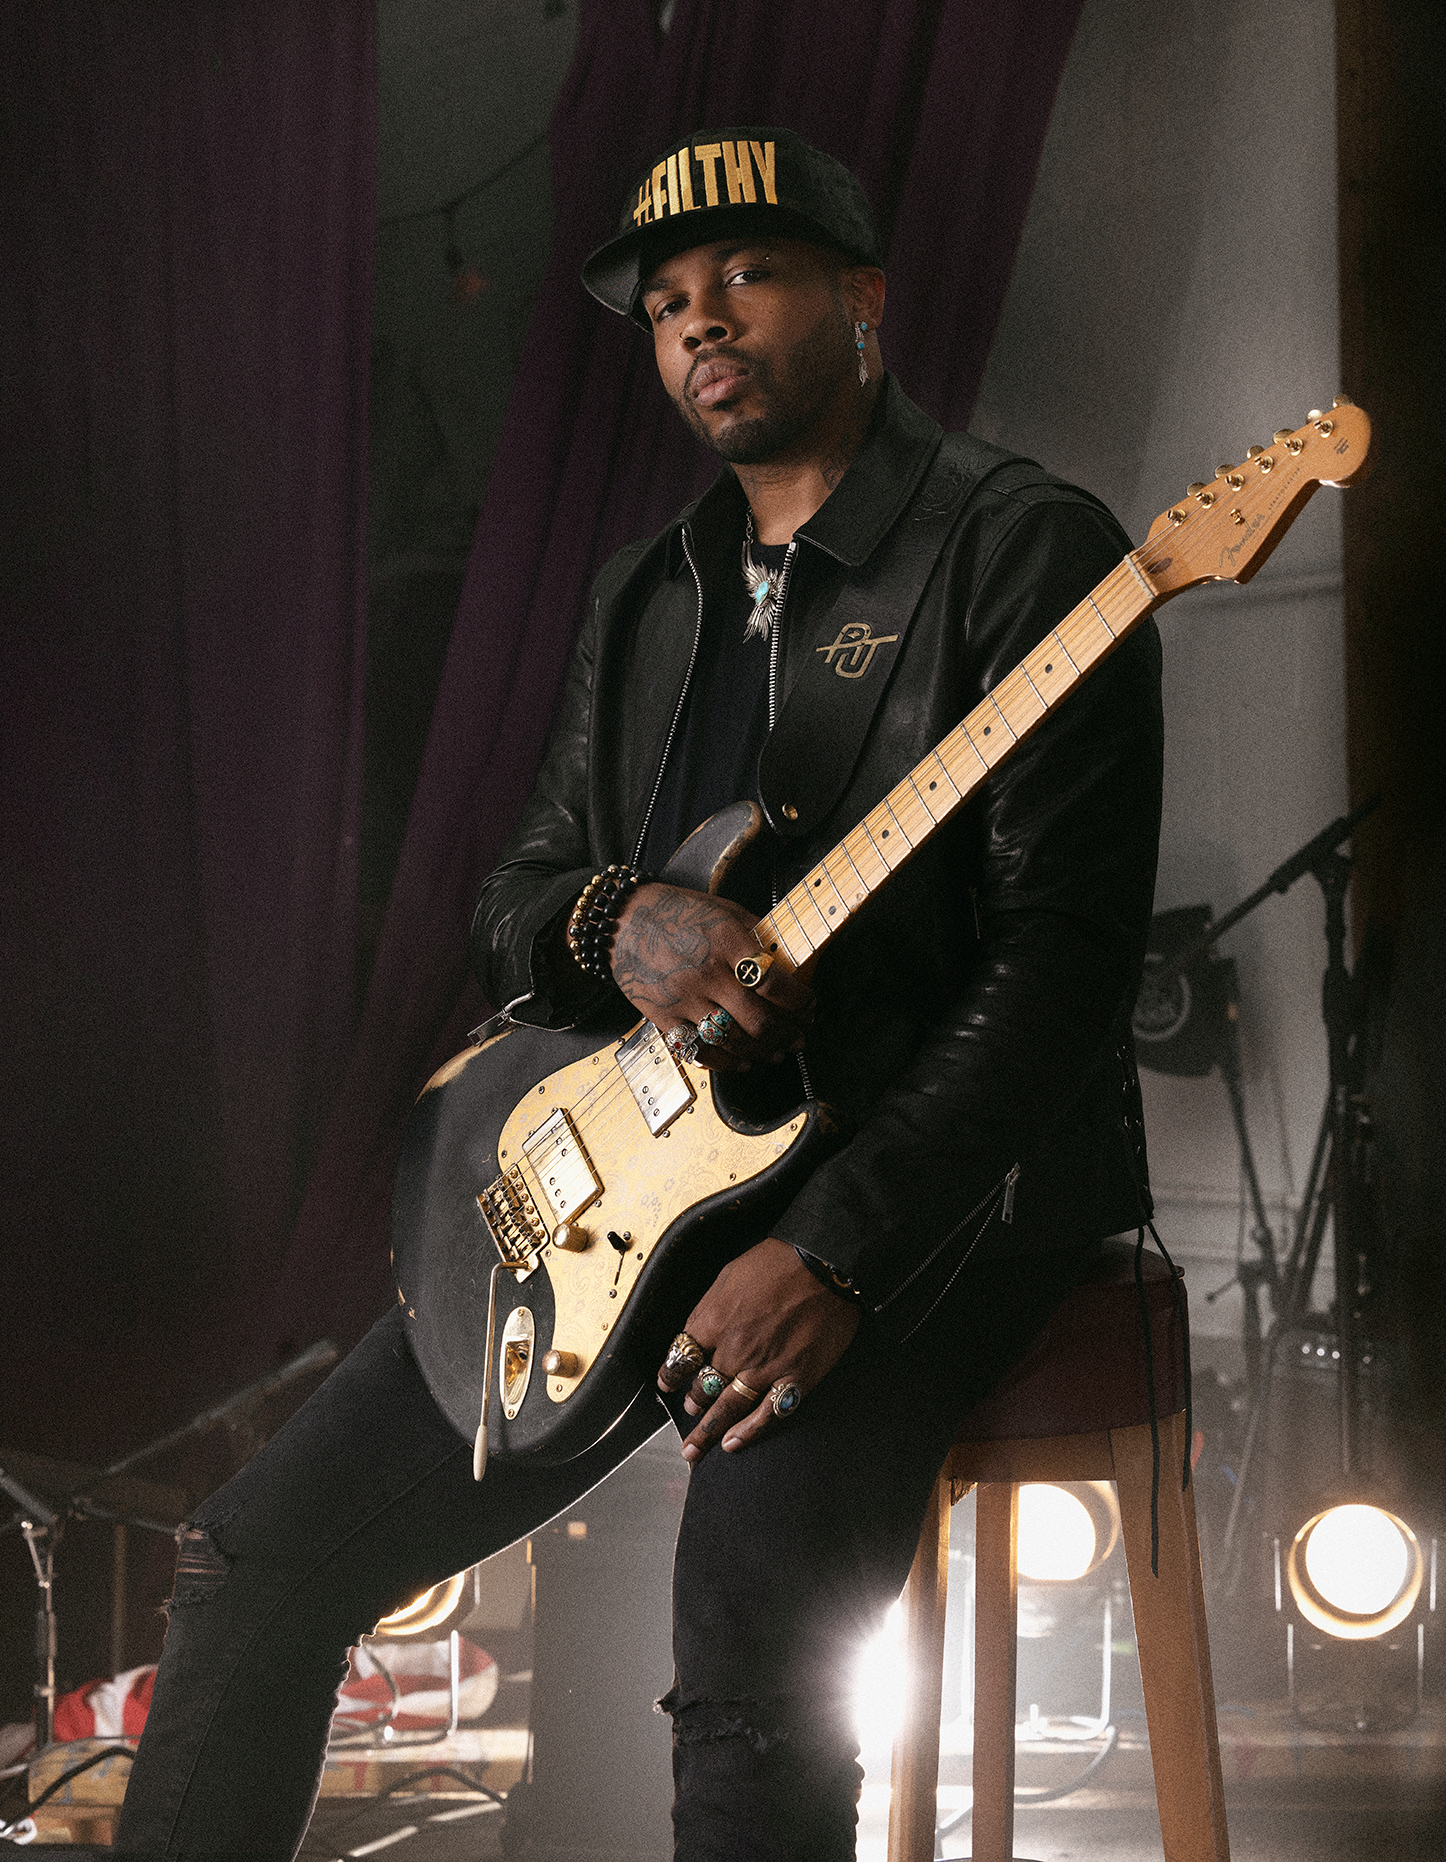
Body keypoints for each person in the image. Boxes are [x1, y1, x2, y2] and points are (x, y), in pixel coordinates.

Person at [114, 128, 1161, 1861]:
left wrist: (834, 1245)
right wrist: (623, 927)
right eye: (668, 301)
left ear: (867, 299)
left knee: (748, 1658)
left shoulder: (1023, 552)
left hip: (940, 1182)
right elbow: (515, 904)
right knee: (251, 1558)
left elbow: (1062, 974)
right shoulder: (649, 595)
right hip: (647, 1185)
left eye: (748, 273)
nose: (701, 323)